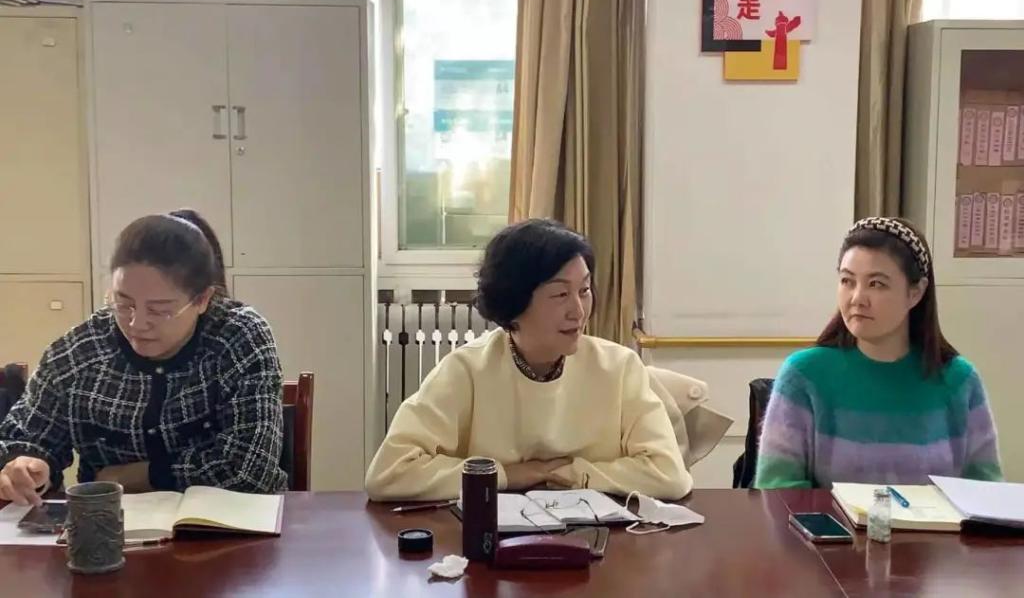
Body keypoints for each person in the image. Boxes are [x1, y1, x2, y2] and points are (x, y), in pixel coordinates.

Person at [365, 219, 690, 501]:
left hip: (597, 541)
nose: (578, 311)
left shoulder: (619, 368)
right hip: (491, 540)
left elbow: (669, 474)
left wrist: (572, 474)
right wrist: (507, 474)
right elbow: (390, 473)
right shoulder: (466, 370)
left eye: (585, 290)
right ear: (514, 302)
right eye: (560, 294)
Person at [0, 210, 287, 505]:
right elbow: (22, 439)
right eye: (123, 303)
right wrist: (27, 465)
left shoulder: (238, 336)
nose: (137, 324)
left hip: (228, 521)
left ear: (202, 300)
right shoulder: (80, 351)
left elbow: (250, 471)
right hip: (109, 525)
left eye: (159, 310)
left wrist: (137, 475)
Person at [755, 216, 1002, 489]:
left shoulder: (959, 380)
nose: (857, 298)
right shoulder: (804, 375)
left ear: (916, 292)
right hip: (831, 520)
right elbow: (776, 489)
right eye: (847, 281)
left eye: (876, 284)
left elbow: (986, 493)